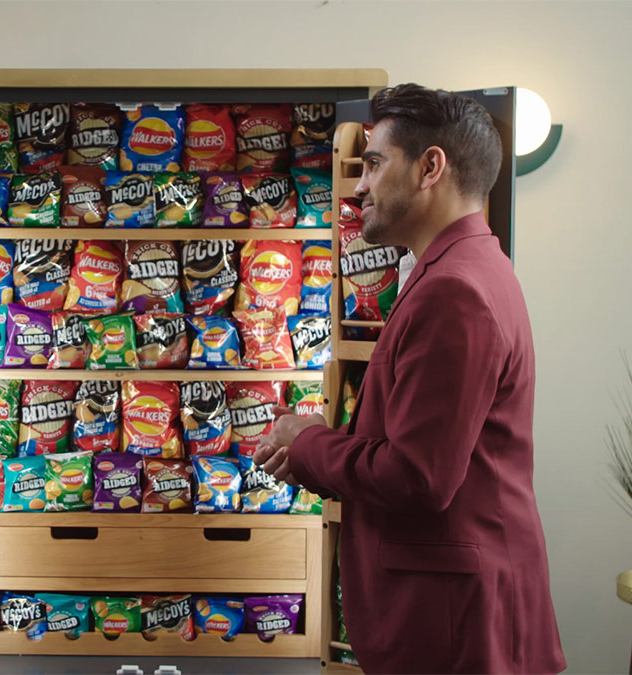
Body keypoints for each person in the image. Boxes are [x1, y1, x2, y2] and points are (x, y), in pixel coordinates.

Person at [253, 84, 566, 674]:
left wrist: (308, 443)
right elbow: (425, 446)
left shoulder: (455, 290)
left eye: (373, 163)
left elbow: (419, 477)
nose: (359, 186)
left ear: (430, 168)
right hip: (459, 613)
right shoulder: (468, 268)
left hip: (452, 624)